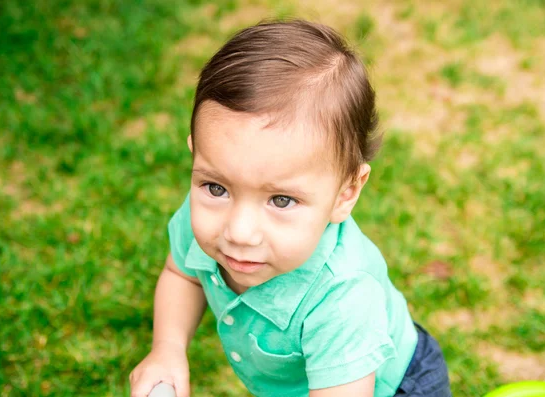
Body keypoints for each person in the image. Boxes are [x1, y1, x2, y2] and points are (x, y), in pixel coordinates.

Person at [129, 19, 451, 397]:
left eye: (281, 200)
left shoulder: (343, 298)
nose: (238, 231)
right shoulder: (203, 218)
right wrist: (167, 349)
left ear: (346, 193)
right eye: (216, 187)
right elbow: (183, 274)